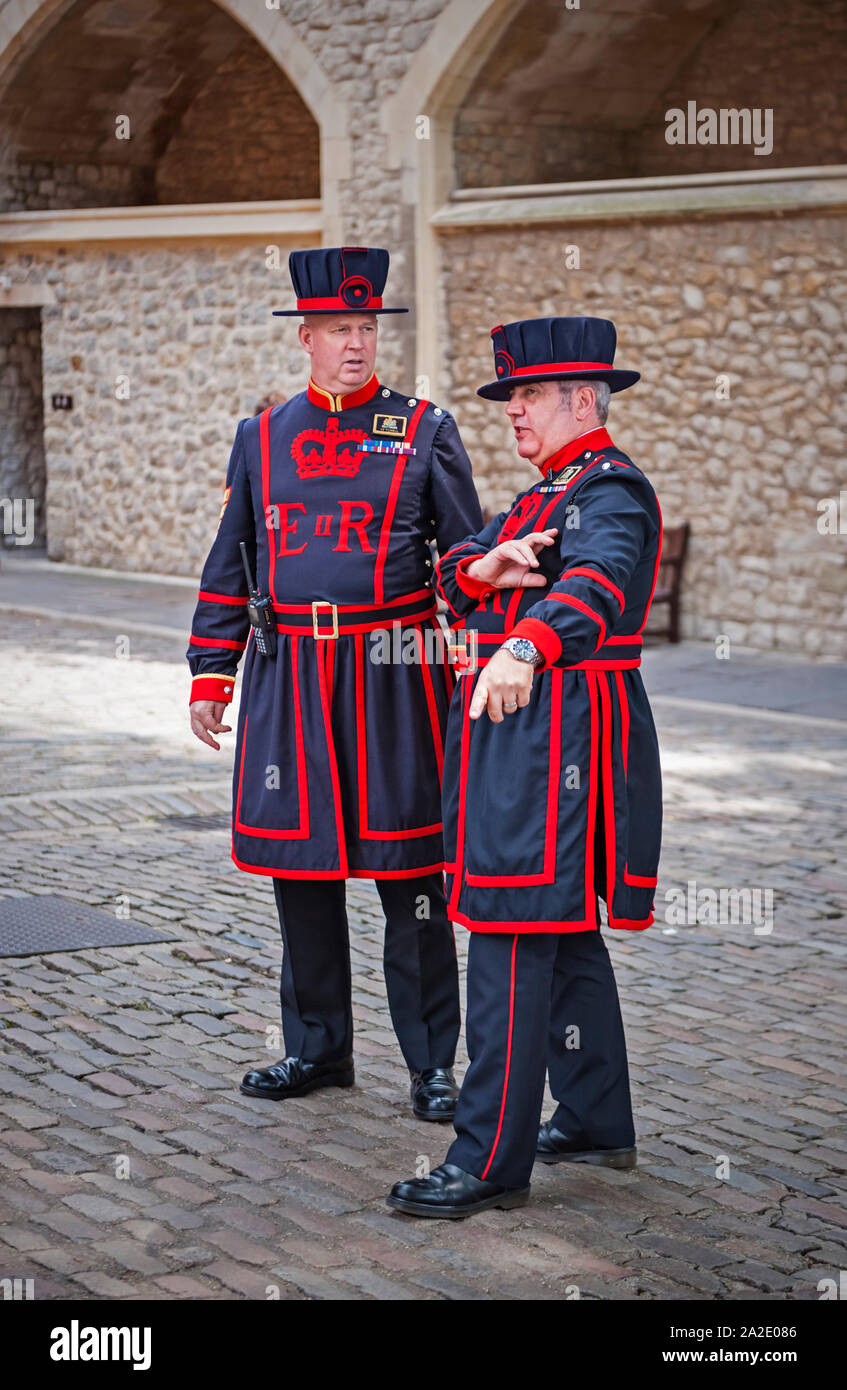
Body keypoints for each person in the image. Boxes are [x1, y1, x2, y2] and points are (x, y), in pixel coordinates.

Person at [186, 246, 483, 1121]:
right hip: (289, 678)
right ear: (306, 337)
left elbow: (464, 558)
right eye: (338, 330)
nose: (355, 345)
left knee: (413, 872)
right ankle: (316, 1050)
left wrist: (479, 648)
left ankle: (432, 1066)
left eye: (366, 328)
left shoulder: (425, 428)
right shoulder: (262, 435)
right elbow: (230, 559)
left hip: (397, 676)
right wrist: (212, 669)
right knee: (300, 870)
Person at [387, 315, 663, 1217]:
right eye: (509, 395)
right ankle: (593, 1117)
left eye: (530, 394)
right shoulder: (543, 495)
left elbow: (602, 583)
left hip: (560, 742)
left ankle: (485, 1162)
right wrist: (489, 568)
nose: (513, 411)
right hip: (530, 740)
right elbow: (461, 559)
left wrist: (527, 644)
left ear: (583, 399)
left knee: (508, 932)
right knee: (559, 933)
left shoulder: (608, 489)